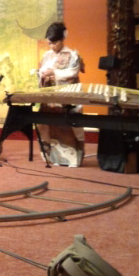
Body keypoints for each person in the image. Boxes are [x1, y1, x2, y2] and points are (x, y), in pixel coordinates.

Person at [37, 21, 85, 167]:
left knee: (70, 125)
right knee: (48, 125)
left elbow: (73, 73)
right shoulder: (47, 55)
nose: (52, 46)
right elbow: (40, 71)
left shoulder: (72, 55)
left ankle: (73, 159)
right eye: (50, 43)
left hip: (67, 96)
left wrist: (54, 73)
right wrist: (42, 75)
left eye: (54, 43)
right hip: (51, 97)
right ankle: (52, 157)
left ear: (62, 39)